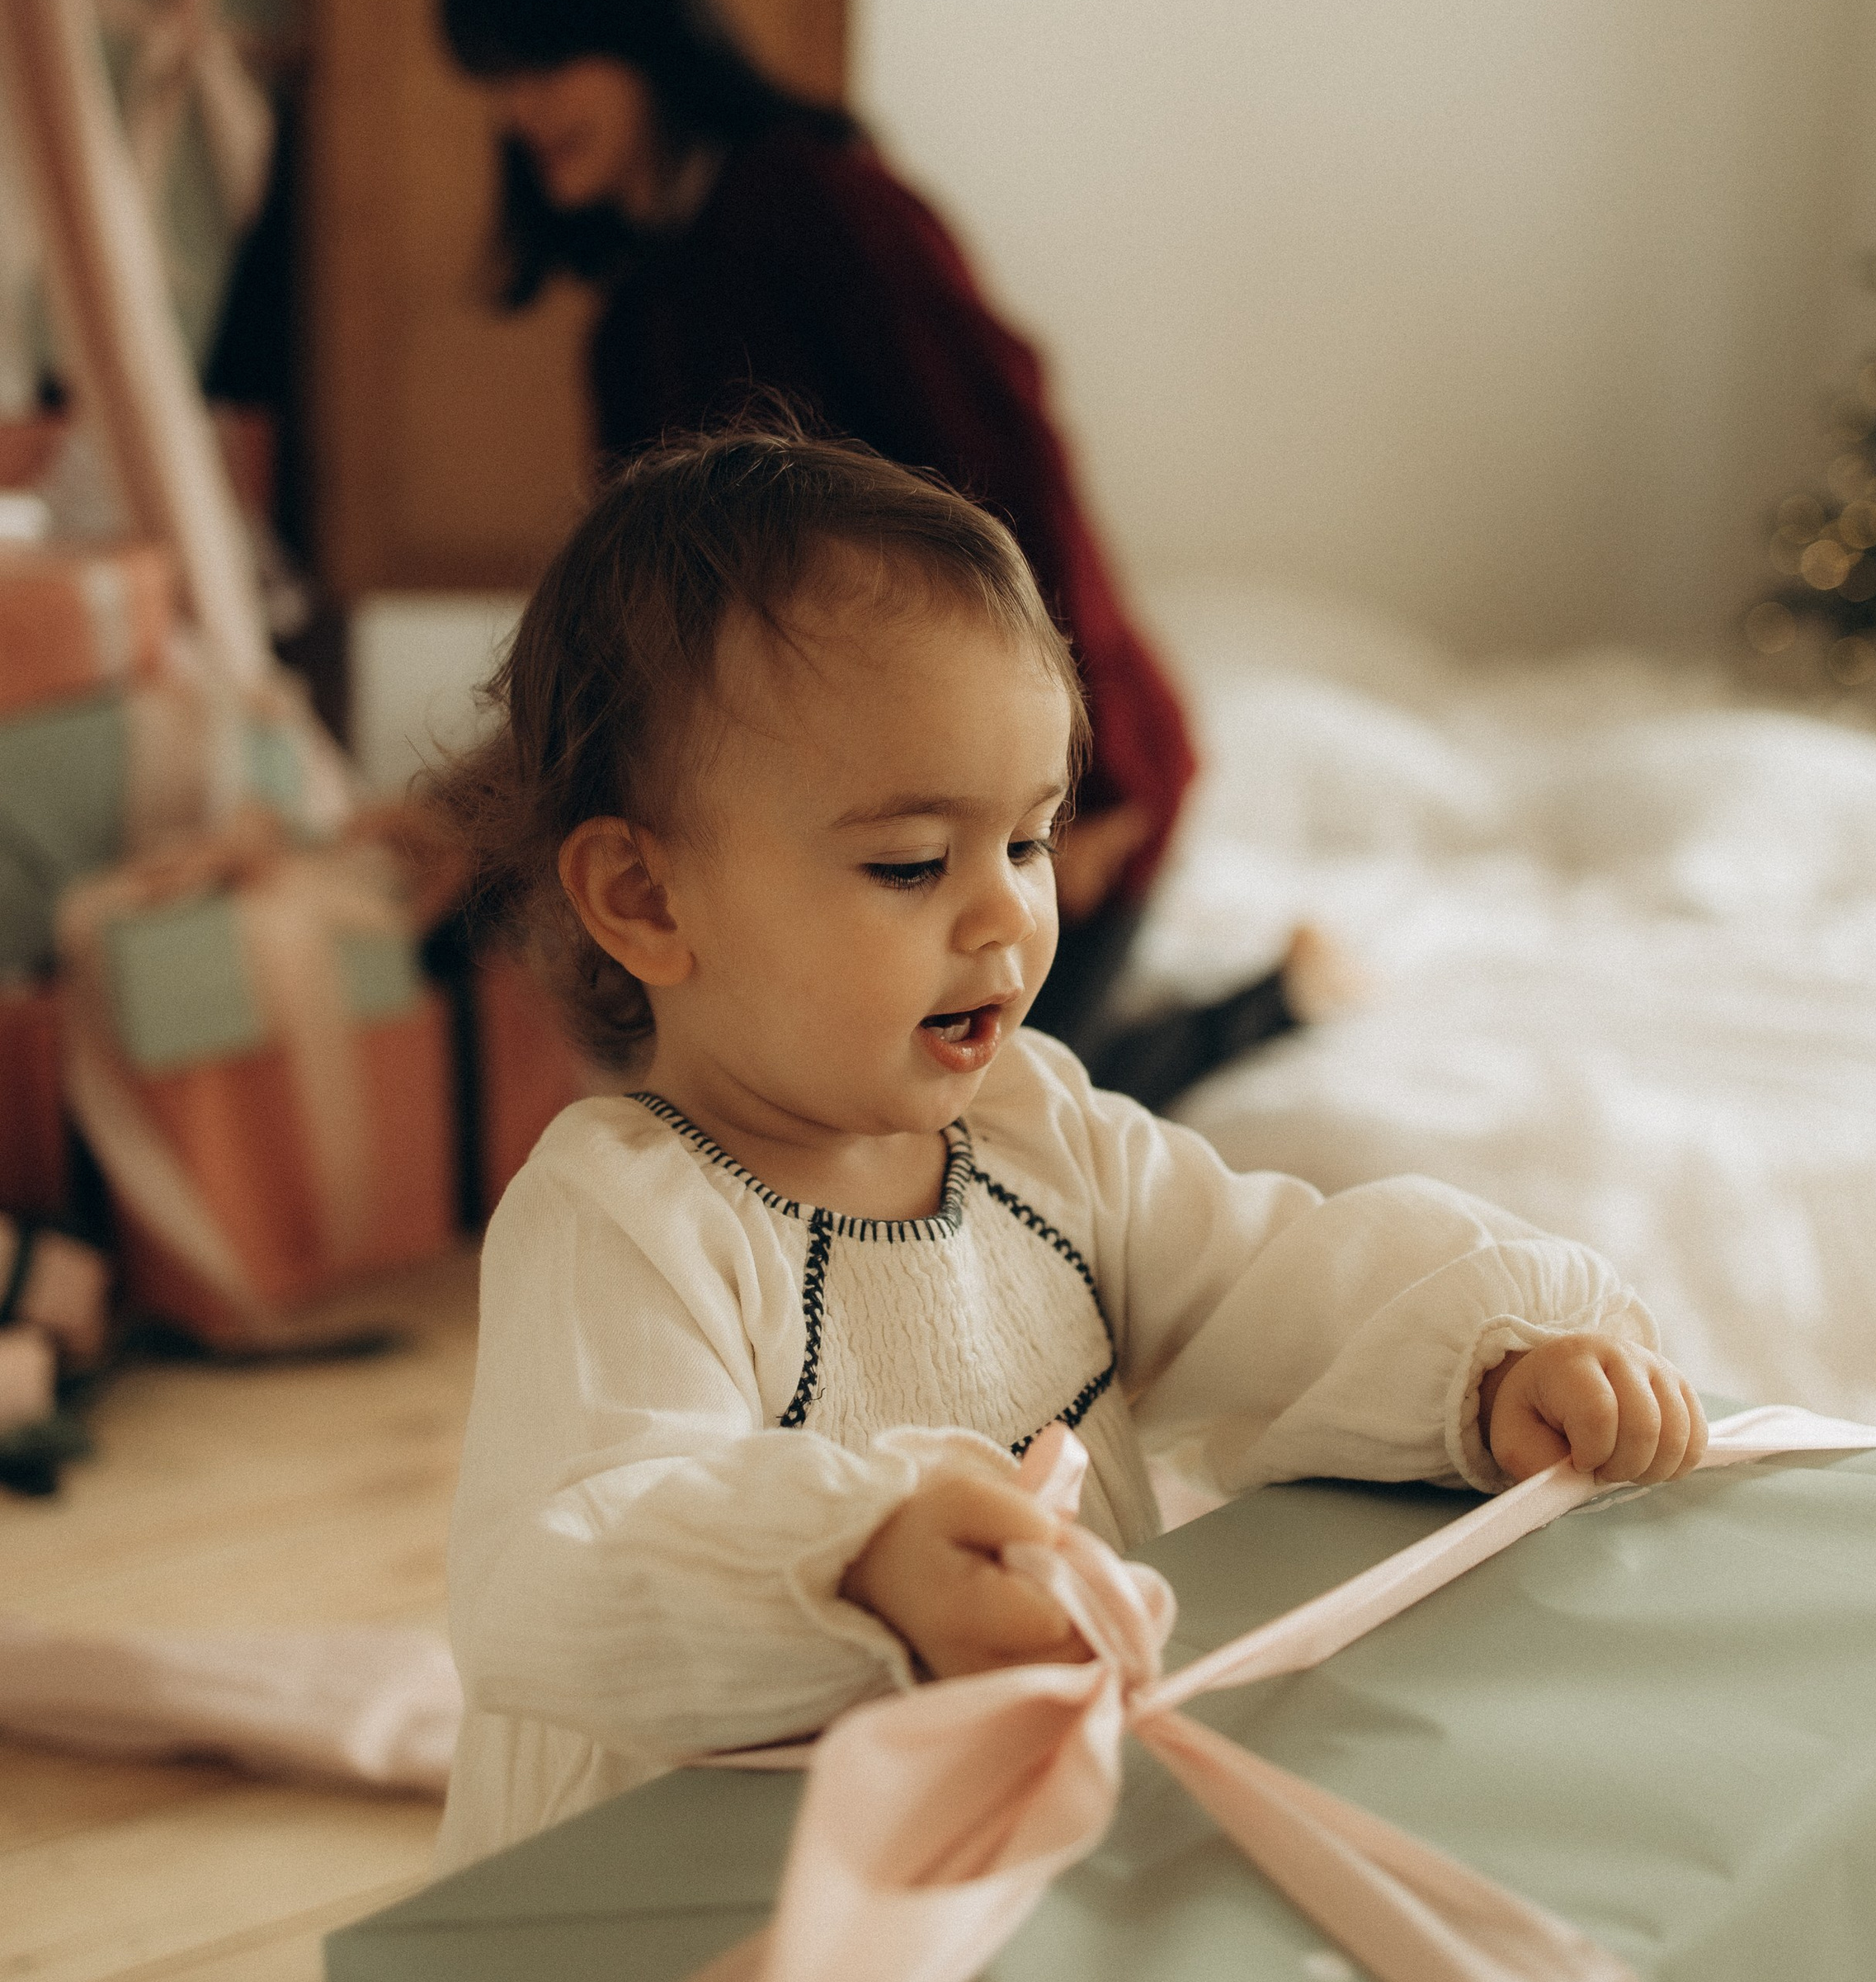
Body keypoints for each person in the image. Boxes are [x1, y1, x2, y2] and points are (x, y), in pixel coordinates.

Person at [426, 431, 1707, 1869]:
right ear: (645, 896)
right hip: (707, 1890)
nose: (1004, 920)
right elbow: (574, 1552)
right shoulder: (627, 1216)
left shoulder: (1039, 1134)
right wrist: (860, 1569)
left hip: (1028, 1830)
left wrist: (1494, 1357)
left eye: (1029, 841)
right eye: (913, 862)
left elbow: (1275, 1274)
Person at [436, 0, 1357, 1110]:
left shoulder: (821, 205)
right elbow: (644, 618)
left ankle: (1272, 1003)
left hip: (1053, 765)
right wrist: (479, 806)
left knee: (982, 1111)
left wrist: (1079, 787)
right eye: (499, 79)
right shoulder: (633, 325)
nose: (521, 109)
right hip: (857, 795)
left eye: (546, 62)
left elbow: (1014, 474)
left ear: (642, 38)